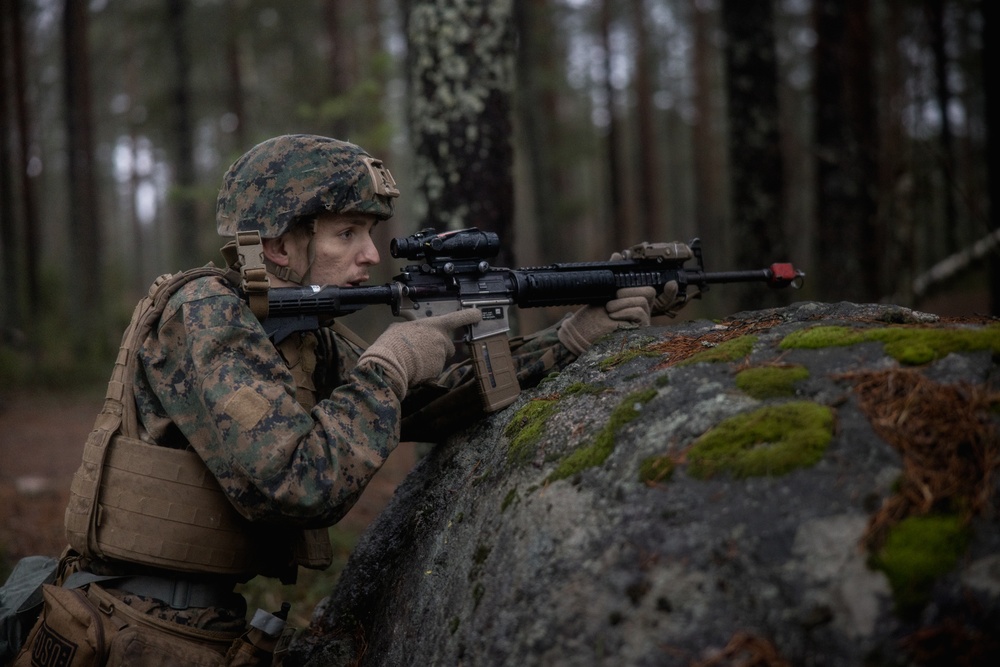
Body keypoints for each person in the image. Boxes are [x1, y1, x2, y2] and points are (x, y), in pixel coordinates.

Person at [12, 134, 679, 666]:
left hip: (192, 629)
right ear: (277, 243)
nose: (368, 255)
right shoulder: (206, 311)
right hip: (134, 632)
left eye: (370, 232)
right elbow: (296, 482)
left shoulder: (303, 335)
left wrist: (572, 335)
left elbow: (422, 401)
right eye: (346, 233)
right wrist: (390, 364)